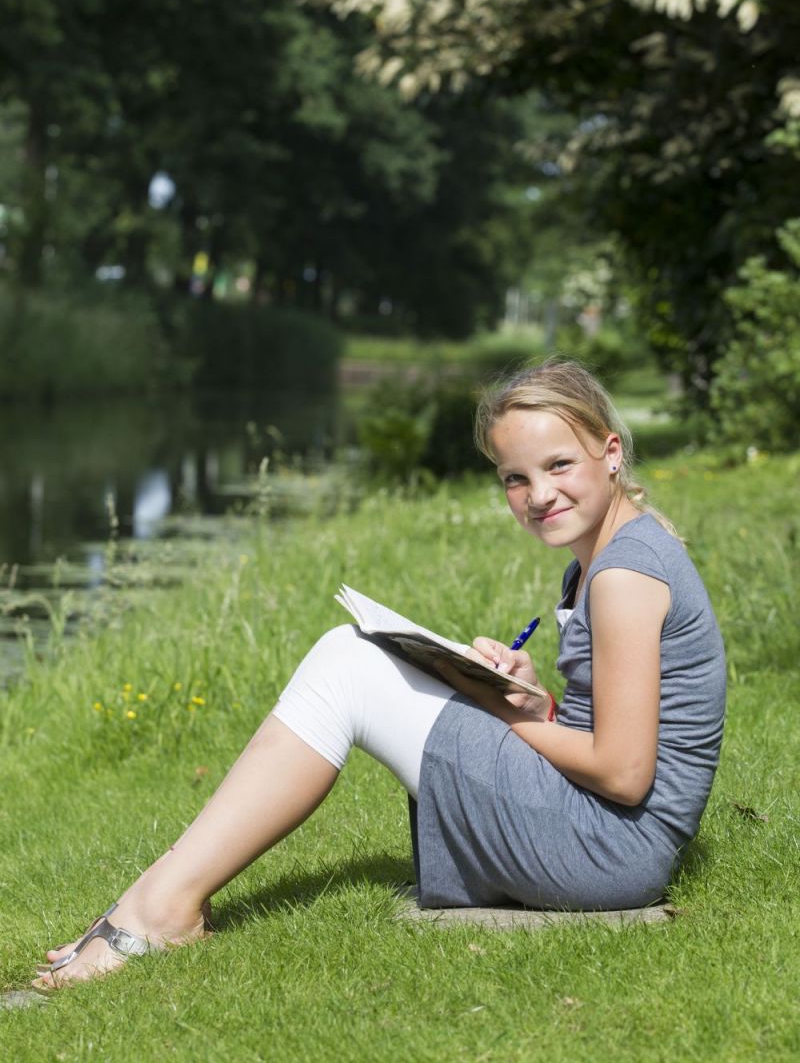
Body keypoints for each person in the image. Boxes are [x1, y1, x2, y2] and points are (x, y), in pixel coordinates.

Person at [33, 359, 726, 990]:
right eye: (516, 478)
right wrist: (532, 697)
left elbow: (627, 772)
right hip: (606, 833)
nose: (538, 493)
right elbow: (609, 730)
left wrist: (498, 707)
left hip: (610, 850)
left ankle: (160, 911)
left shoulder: (625, 575)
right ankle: (159, 899)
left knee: (348, 664)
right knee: (352, 658)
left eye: (558, 466)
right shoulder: (601, 561)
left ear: (610, 453)